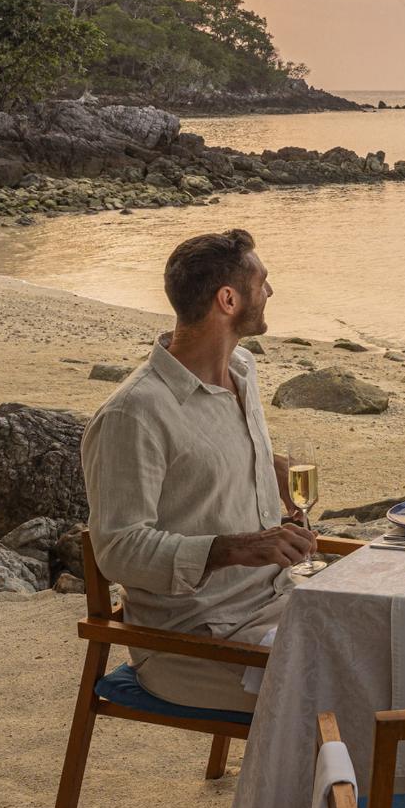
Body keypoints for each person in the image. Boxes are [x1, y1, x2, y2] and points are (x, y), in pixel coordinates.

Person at [81, 228, 315, 713]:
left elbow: (209, 460)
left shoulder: (243, 370)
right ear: (228, 299)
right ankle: (325, 789)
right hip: (193, 640)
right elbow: (119, 550)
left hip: (276, 601)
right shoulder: (135, 413)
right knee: (350, 686)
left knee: (397, 639)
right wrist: (237, 548)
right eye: (262, 282)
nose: (270, 292)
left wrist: (270, 473)